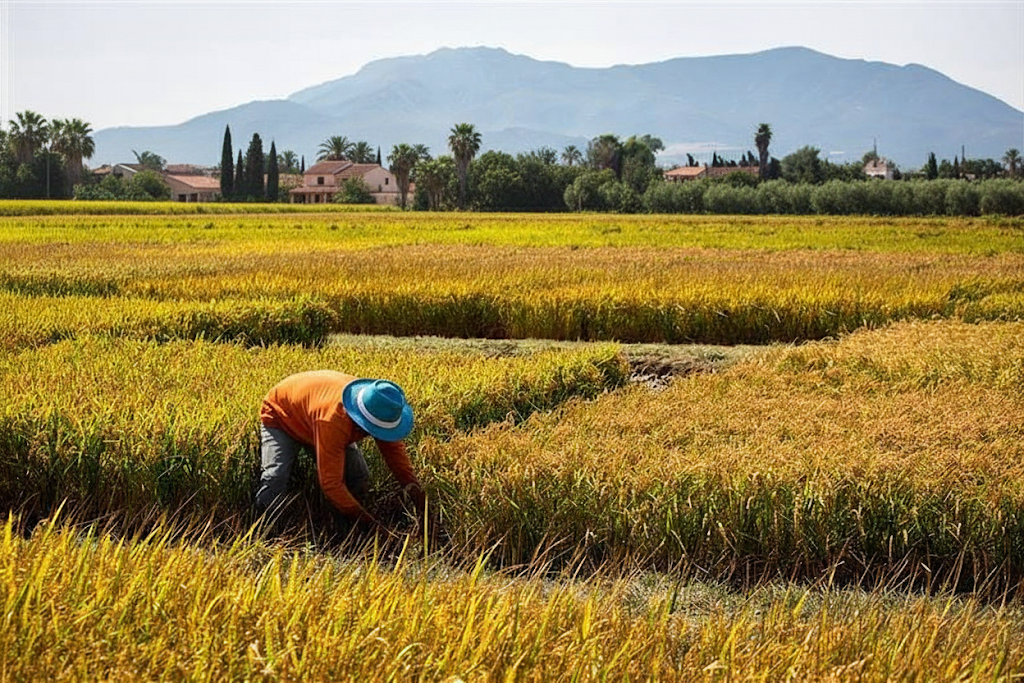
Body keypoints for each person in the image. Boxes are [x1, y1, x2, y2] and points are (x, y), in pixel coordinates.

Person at [256, 370, 425, 532]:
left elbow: (398, 461)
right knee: (275, 477)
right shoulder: (335, 420)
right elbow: (331, 484)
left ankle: (346, 527)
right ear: (361, 421)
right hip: (282, 414)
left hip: (315, 413)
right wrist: (371, 525)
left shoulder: (381, 409)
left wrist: (421, 506)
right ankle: (269, 531)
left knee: (358, 475)